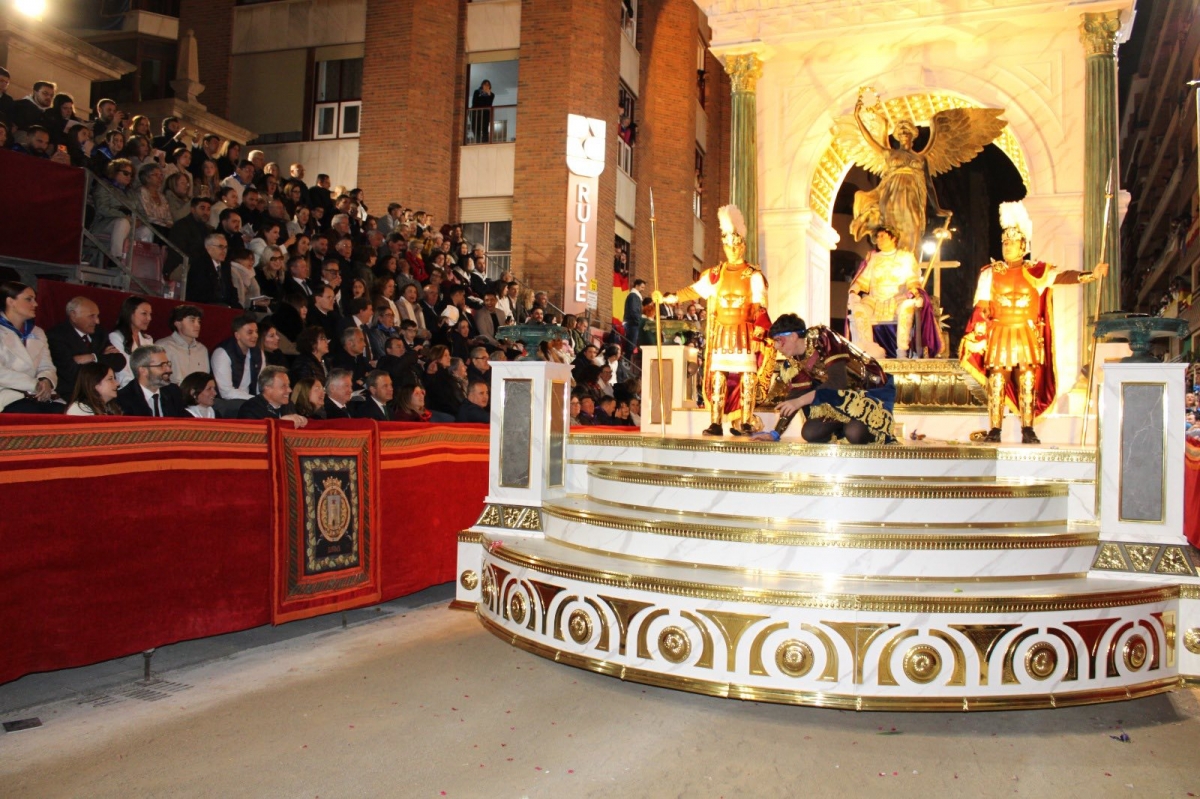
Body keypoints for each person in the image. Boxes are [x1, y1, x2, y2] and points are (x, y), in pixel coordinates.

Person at [959, 201, 1107, 444]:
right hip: (1000, 332)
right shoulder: (990, 273)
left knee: (1027, 380)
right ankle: (995, 430)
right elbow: (982, 305)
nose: (1007, 246)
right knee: (997, 381)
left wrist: (1092, 274)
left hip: (1026, 334)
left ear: (1023, 246)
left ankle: (1028, 429)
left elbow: (1064, 277)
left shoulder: (1036, 271)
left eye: (1012, 243)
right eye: (1004, 243)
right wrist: (979, 329)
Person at [655, 205, 769, 436]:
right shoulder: (715, 274)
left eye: (736, 244)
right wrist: (668, 298)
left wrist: (759, 333)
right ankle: (715, 422)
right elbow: (692, 291)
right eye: (728, 244)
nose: (732, 249)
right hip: (722, 333)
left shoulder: (754, 275)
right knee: (718, 376)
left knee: (747, 378)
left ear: (743, 245)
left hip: (744, 333)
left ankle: (746, 420)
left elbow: (761, 307)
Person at [747, 314, 893, 444]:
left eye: (779, 340)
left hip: (868, 396)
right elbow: (795, 396)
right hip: (839, 403)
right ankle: (844, 425)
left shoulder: (823, 338)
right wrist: (775, 433)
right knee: (809, 433)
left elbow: (838, 382)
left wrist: (801, 401)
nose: (776, 346)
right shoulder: (795, 361)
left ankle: (860, 427)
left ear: (793, 336)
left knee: (854, 433)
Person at [845, 225, 939, 359]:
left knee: (907, 307)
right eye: (877, 237)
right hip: (874, 301)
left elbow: (912, 280)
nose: (879, 239)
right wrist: (853, 293)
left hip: (897, 300)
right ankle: (868, 352)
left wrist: (915, 293)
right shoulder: (873, 258)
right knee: (858, 309)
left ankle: (902, 353)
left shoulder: (906, 257)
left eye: (882, 236)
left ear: (893, 238)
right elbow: (862, 281)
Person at [47, 296, 126, 400]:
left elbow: (119, 361)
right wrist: (103, 358)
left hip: (103, 395)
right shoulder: (56, 336)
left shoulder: (99, 333)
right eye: (91, 316)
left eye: (97, 316)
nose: (97, 321)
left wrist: (93, 357)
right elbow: (71, 372)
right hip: (75, 395)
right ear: (73, 315)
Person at [0, 282, 61, 413]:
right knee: (30, 411)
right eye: (29, 299)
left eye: (34, 299)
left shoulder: (37, 332)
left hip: (38, 395)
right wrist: (34, 384)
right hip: (6, 394)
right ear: (10, 301)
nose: (35, 304)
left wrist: (46, 380)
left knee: (65, 412)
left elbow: (47, 366)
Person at [210, 314, 262, 417]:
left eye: (256, 331)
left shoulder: (258, 352)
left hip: (249, 399)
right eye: (250, 332)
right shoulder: (222, 353)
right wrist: (256, 400)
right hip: (225, 402)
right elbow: (226, 392)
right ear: (237, 335)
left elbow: (260, 384)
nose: (255, 336)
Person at [115, 346, 187, 417]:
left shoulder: (173, 392)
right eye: (162, 365)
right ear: (143, 370)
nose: (169, 370)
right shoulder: (123, 399)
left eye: (168, 364)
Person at [237, 365, 307, 426]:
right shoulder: (250, 409)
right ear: (267, 388)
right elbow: (254, 435)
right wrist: (281, 422)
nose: (289, 390)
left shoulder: (289, 406)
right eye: (283, 386)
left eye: (288, 385)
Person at [155, 304, 209, 384]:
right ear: (178, 323)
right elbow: (157, 379)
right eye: (192, 320)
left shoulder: (202, 349)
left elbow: (205, 379)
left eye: (199, 321)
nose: (197, 325)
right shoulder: (163, 346)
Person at [109, 296, 155, 388]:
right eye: (144, 313)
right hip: (127, 388)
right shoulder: (116, 337)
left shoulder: (148, 339)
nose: (149, 318)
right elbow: (122, 371)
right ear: (130, 313)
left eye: (150, 314)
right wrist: (137, 389)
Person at [622, 279, 646, 355]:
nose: (643, 289)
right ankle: (628, 359)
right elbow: (634, 310)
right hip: (632, 323)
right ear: (637, 286)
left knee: (632, 344)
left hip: (633, 323)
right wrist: (640, 321)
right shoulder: (633, 296)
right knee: (631, 344)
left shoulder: (635, 296)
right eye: (642, 287)